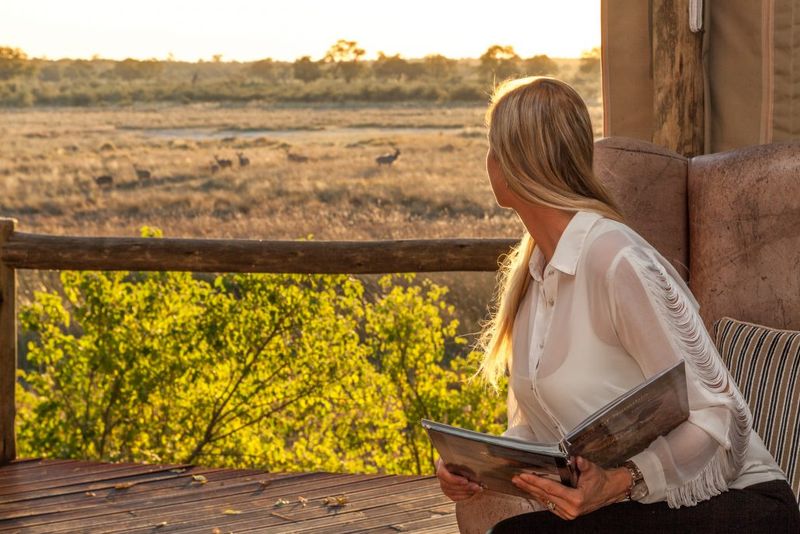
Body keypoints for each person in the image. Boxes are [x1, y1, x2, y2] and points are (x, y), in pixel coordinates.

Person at [435, 77, 800, 533]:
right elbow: (537, 430)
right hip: (641, 510)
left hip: (742, 506)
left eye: (491, 148)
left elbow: (718, 413)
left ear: (512, 164)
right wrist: (480, 467)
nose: (485, 162)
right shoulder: (534, 278)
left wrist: (621, 482)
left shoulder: (615, 259)